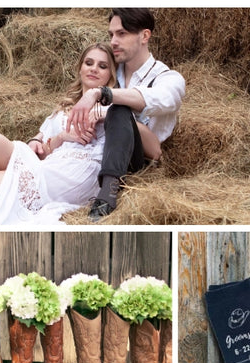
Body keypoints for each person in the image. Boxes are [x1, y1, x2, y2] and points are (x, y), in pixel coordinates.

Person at [0, 42, 118, 225]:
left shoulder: (115, 109)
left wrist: (104, 112)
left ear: (111, 76)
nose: (94, 69)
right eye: (89, 63)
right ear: (80, 68)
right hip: (49, 164)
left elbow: (148, 144)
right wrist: (61, 137)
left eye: (102, 66)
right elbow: (41, 148)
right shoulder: (64, 108)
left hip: (75, 173)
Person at [67, 8, 186, 221]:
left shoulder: (168, 78)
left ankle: (108, 194)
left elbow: (164, 98)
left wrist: (104, 94)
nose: (113, 41)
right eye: (111, 34)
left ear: (144, 36)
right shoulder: (109, 69)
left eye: (121, 34)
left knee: (119, 106)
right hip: (93, 151)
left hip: (139, 160)